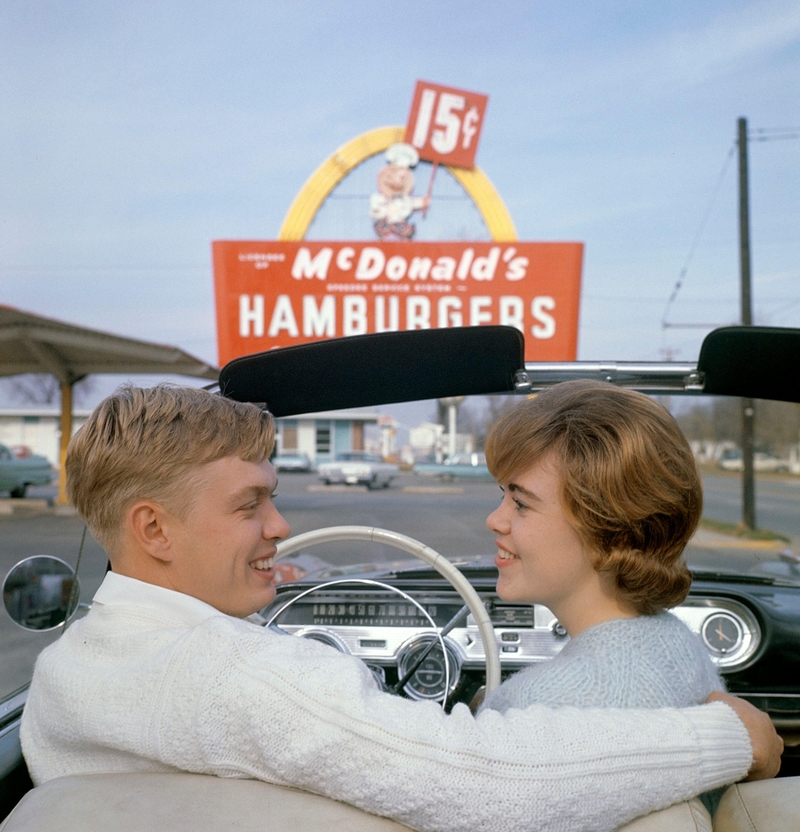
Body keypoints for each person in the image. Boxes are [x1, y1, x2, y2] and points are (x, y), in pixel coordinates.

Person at [20, 385, 781, 832]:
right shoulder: (242, 678)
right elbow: (488, 782)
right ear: (153, 529)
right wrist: (725, 735)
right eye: (251, 506)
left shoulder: (61, 678)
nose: (278, 526)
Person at [479, 380, 729, 812]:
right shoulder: (677, 645)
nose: (494, 520)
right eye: (502, 494)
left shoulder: (545, 704)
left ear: (610, 531)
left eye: (521, 503)